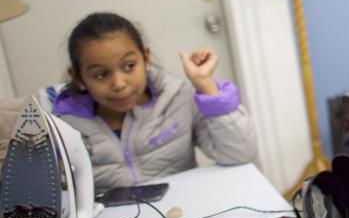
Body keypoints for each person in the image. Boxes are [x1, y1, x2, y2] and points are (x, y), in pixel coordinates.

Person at [26, 12, 257, 195]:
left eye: (128, 66)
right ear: (79, 78)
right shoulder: (64, 126)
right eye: (100, 75)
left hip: (185, 214)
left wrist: (205, 84)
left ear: (145, 58)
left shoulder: (176, 98)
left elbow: (239, 153)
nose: (118, 83)